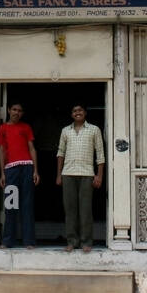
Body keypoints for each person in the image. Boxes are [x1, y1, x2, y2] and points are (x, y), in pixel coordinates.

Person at [56, 104, 104, 252]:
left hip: (87, 174)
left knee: (85, 210)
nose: (77, 113)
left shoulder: (94, 129)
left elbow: (100, 154)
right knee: (70, 210)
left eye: (80, 110)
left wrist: (99, 176)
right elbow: (60, 153)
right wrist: (59, 175)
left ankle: (86, 242)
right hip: (68, 173)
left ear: (85, 113)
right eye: (74, 110)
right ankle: (72, 241)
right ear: (71, 114)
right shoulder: (66, 131)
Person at [0, 103, 39, 248]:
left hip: (27, 167)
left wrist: (36, 170)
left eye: (20, 110)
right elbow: (2, 151)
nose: (17, 112)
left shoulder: (25, 127)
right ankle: (8, 240)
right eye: (14, 109)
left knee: (27, 205)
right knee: (11, 205)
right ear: (9, 110)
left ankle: (28, 241)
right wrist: (2, 173)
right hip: (11, 170)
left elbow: (32, 149)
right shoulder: (3, 128)